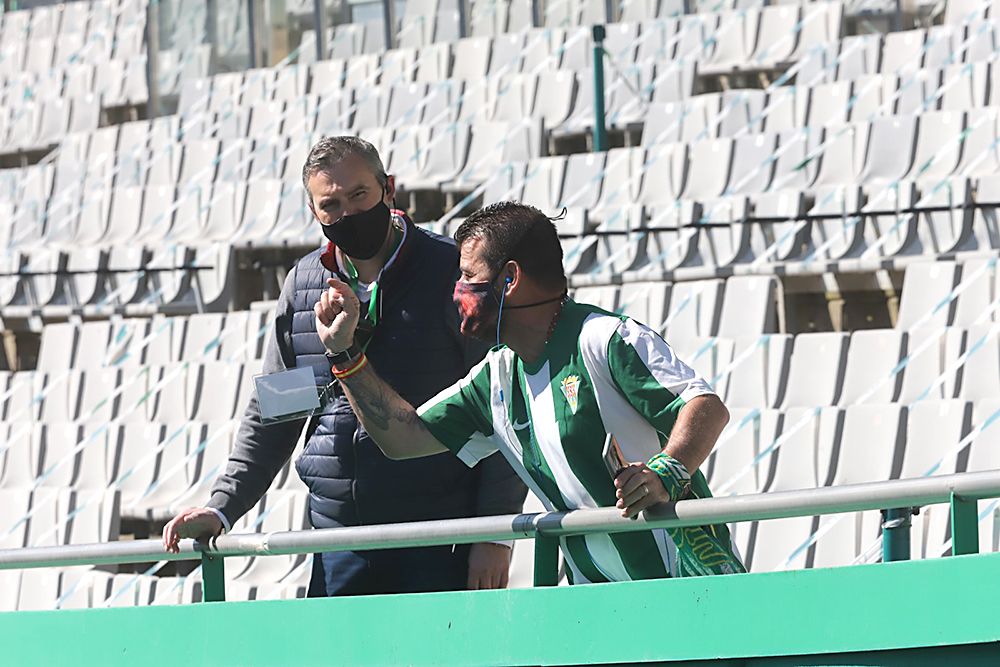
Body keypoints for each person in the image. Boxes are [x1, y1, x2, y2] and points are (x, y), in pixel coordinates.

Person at [163, 137, 526, 595]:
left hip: (440, 538)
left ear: (388, 189)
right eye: (330, 204)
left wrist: (494, 533)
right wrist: (221, 509)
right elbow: (277, 413)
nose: (347, 214)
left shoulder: (450, 274)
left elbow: (501, 403)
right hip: (338, 540)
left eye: (359, 195)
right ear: (314, 212)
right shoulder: (303, 285)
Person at [313, 201, 746, 582]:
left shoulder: (604, 338)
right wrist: (346, 354)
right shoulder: (496, 377)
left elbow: (705, 407)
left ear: (510, 279)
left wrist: (666, 472)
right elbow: (402, 439)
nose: (456, 292)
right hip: (597, 604)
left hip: (690, 585)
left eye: (467, 276)